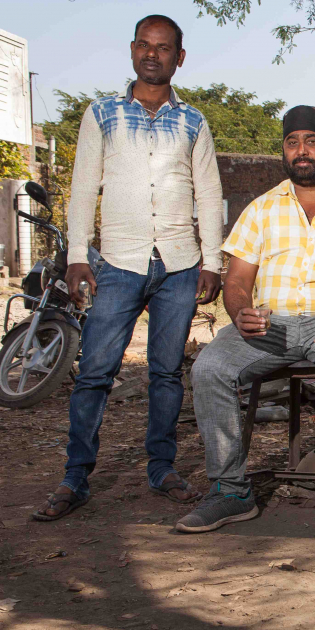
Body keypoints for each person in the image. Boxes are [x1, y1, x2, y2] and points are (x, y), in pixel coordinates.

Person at [176, 105, 315, 533]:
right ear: (284, 151)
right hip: (270, 325)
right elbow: (238, 279)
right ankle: (230, 491)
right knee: (208, 368)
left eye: (311, 141)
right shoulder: (261, 209)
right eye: (293, 142)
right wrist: (240, 310)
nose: (302, 150)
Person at [35, 15, 224, 521]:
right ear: (132, 49)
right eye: (145, 45)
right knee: (95, 371)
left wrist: (212, 260)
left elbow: (208, 193)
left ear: (178, 58)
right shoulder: (102, 115)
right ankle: (76, 476)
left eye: (164, 48)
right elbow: (82, 188)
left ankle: (161, 468)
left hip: (181, 264)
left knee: (165, 373)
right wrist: (78, 254)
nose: (152, 54)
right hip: (118, 261)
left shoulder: (194, 122)